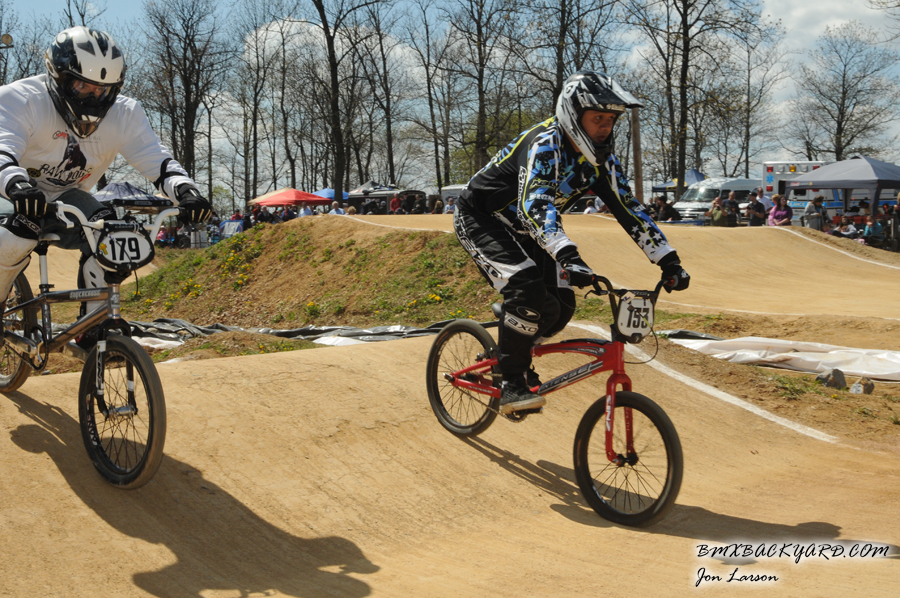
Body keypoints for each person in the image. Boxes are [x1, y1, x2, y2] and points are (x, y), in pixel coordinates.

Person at [453, 70, 690, 414]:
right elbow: (535, 205)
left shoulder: (602, 161)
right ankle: (511, 381)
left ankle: (511, 341)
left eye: (611, 119)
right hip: (481, 217)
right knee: (527, 290)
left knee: (561, 307)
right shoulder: (545, 144)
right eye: (597, 118)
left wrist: (668, 260)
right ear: (573, 115)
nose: (605, 127)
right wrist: (568, 255)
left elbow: (630, 210)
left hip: (527, 229)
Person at [0, 26, 211, 340]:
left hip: (65, 196)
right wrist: (17, 185)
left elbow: (157, 160)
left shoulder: (125, 113)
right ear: (57, 77)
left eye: (102, 89)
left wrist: (187, 191)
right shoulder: (20, 99)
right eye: (82, 84)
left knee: (111, 235)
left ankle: (93, 327)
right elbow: (3, 150)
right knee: (16, 233)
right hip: (8, 191)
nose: (92, 96)